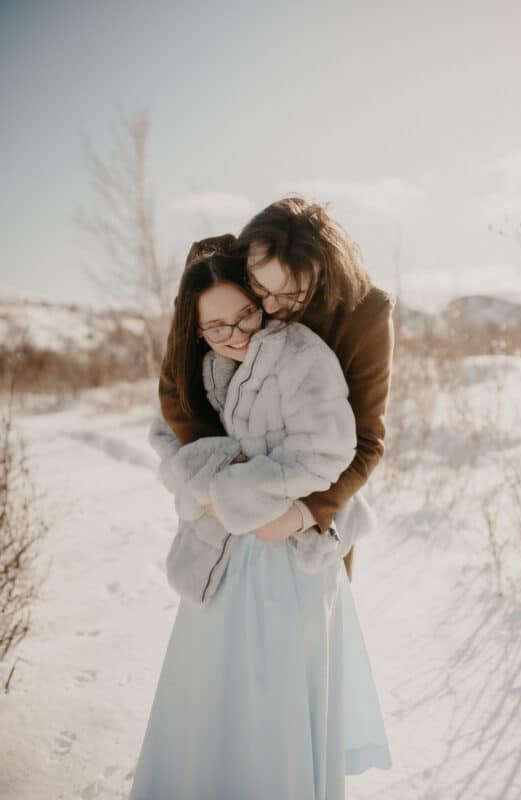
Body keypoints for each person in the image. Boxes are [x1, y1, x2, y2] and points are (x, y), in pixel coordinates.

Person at [129, 236, 392, 799]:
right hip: (219, 558)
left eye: (245, 314)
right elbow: (168, 443)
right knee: (211, 706)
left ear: (260, 302)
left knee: (277, 711)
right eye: (216, 327)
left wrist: (246, 491)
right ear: (197, 330)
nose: (235, 335)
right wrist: (221, 478)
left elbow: (331, 450)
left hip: (288, 559)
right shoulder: (201, 365)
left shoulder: (299, 355)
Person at [160, 197, 396, 583]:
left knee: (309, 632)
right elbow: (177, 387)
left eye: (289, 295)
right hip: (223, 518)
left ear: (323, 273)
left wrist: (304, 512)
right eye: (258, 288)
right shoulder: (228, 267)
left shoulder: (363, 314)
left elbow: (367, 439)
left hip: (312, 507)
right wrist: (221, 480)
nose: (268, 305)